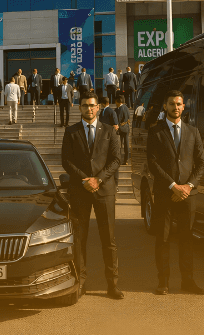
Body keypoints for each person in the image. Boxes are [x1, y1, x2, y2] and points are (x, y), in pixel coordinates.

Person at [60, 92, 123, 300]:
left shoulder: (109, 131)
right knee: (80, 239)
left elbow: (116, 160)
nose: (89, 109)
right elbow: (67, 161)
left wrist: (98, 180)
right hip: (81, 191)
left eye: (92, 105)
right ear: (80, 108)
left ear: (98, 108)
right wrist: (85, 180)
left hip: (104, 191)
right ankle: (80, 283)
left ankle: (112, 284)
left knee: (109, 240)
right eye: (85, 105)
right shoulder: (71, 131)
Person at [147, 90, 204, 296]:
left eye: (179, 104)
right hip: (166, 193)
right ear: (165, 106)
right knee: (163, 239)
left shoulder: (193, 132)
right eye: (171, 103)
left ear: (184, 107)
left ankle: (188, 281)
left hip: (188, 195)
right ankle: (163, 282)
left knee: (186, 239)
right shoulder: (155, 131)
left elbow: (201, 163)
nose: (175, 107)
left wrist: (188, 186)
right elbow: (153, 163)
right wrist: (173, 186)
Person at [113, 95, 131, 166]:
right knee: (126, 144)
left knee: (119, 145)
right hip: (126, 128)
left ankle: (118, 160)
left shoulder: (119, 109)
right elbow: (128, 117)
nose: (115, 103)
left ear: (119, 101)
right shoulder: (126, 107)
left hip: (120, 128)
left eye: (116, 102)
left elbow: (118, 119)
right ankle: (126, 160)